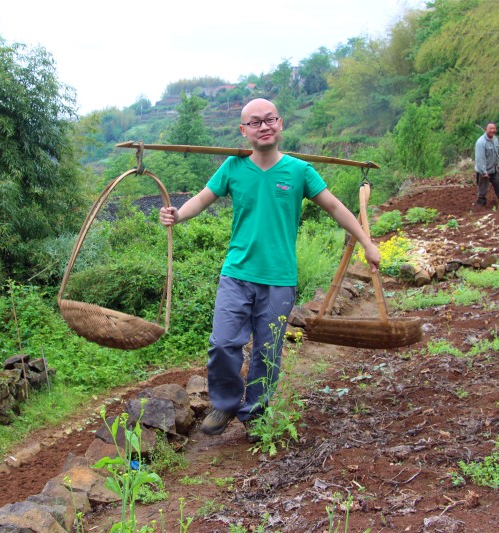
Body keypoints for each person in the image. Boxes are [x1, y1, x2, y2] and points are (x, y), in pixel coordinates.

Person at [159, 98, 381, 443]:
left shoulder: (299, 171)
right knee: (223, 343)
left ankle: (255, 413)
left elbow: (335, 207)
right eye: (255, 122)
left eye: (269, 120)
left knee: (268, 351)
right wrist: (177, 214)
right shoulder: (233, 167)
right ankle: (225, 404)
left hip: (279, 279)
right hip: (237, 273)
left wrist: (366, 242)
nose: (263, 126)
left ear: (280, 124)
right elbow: (202, 199)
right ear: (243, 130)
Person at [474, 123, 499, 207]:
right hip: (484, 170)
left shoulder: (495, 139)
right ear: (486, 130)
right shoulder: (481, 142)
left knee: (498, 184)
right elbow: (480, 158)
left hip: (493, 168)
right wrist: (484, 171)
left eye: (494, 128)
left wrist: (498, 164)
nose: (492, 130)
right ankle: (480, 205)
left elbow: (497, 153)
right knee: (482, 189)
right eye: (490, 129)